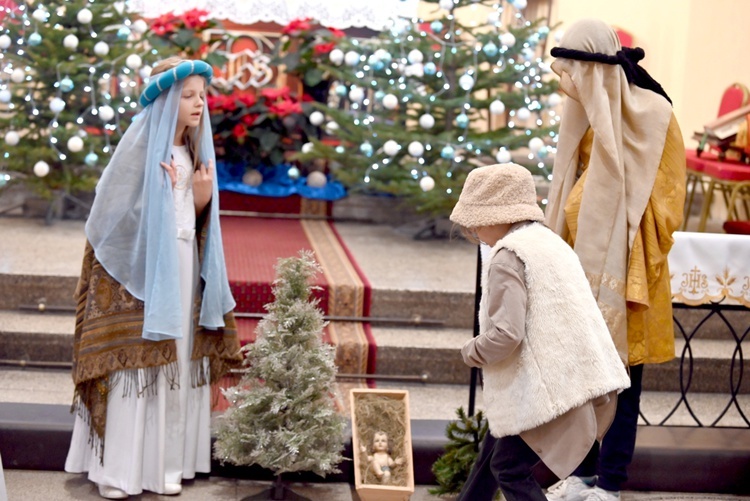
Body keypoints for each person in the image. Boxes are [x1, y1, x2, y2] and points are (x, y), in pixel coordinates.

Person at [64, 57, 242, 499]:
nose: (199, 104)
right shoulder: (143, 148)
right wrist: (160, 200)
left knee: (175, 360)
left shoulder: (194, 151)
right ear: (165, 99)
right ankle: (120, 470)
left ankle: (164, 463)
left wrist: (199, 201)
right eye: (188, 96)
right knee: (143, 362)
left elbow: (192, 224)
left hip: (182, 269)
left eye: (202, 95)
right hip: (140, 277)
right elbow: (111, 217)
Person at [544, 19, 686, 501]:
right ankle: (580, 472)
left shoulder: (656, 116)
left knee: (623, 381)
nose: (571, 89)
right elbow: (570, 177)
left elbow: (668, 204)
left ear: (597, 70)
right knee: (579, 375)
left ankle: (611, 481)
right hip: (576, 264)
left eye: (574, 76)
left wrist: (622, 241)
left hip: (629, 272)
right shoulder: (586, 111)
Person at [450, 163, 631, 501]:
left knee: (508, 467)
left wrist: (471, 351)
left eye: (474, 224)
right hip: (580, 375)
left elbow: (506, 335)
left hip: (548, 389)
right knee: (494, 450)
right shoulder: (549, 243)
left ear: (496, 216)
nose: (474, 232)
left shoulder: (507, 256)